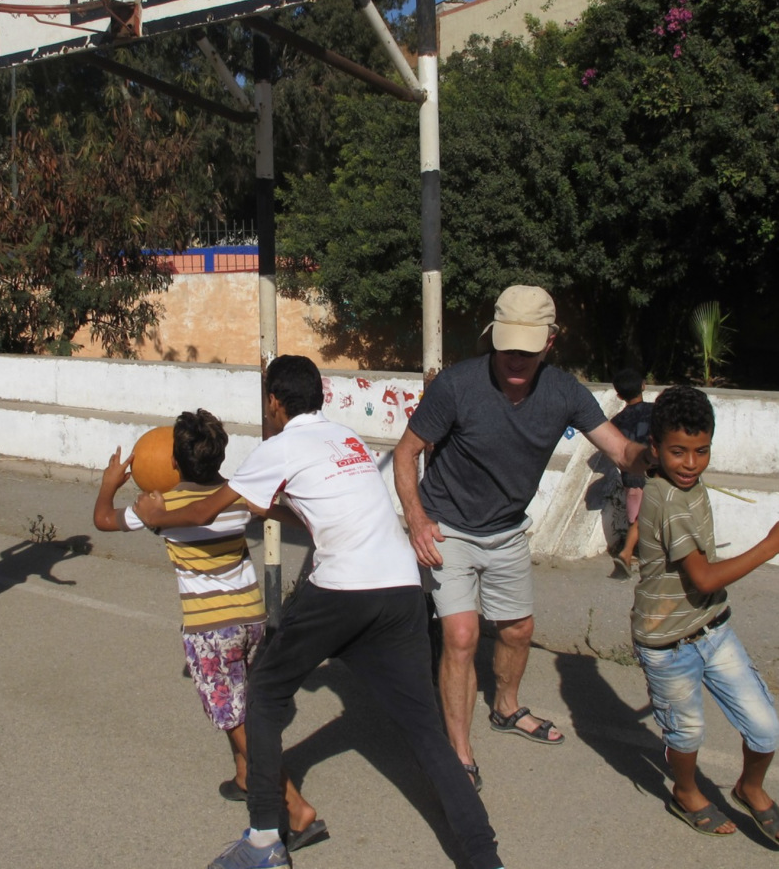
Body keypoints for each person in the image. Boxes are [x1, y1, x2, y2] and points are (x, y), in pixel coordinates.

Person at [135, 356, 504, 869]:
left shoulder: (279, 446)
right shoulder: (346, 438)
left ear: (273, 403)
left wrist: (157, 514)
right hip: (399, 588)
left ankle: (264, 840)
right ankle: (485, 857)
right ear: (321, 397)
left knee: (263, 689)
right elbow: (311, 513)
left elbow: (201, 511)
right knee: (425, 729)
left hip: (343, 589)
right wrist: (273, 507)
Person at [392, 285, 650, 789]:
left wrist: (660, 454)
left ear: (550, 342)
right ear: (493, 336)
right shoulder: (456, 386)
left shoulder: (564, 392)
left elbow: (622, 452)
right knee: (462, 637)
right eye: (507, 346)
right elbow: (406, 453)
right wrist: (417, 520)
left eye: (527, 350)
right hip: (450, 528)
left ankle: (505, 709)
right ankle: (459, 753)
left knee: (517, 631)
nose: (515, 358)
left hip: (508, 529)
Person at [91, 409, 324, 851]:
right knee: (245, 700)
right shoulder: (236, 499)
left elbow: (103, 520)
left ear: (174, 463)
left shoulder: (162, 507)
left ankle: (294, 805)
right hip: (252, 619)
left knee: (232, 715)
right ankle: (243, 775)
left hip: (209, 627)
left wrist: (109, 483)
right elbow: (281, 511)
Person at [633, 385, 779, 841]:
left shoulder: (679, 479)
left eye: (701, 451)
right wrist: (772, 544)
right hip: (668, 645)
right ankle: (686, 791)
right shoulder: (670, 501)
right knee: (687, 735)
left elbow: (643, 458)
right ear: (657, 449)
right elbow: (705, 579)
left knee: (766, 726)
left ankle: (748, 788)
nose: (691, 463)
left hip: (712, 627)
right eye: (679, 452)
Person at [609, 368, 653, 579]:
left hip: (629, 475)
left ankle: (633, 551)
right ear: (643, 385)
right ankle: (636, 552)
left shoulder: (617, 421)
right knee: (648, 515)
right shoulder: (656, 411)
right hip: (653, 472)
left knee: (634, 515)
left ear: (619, 395)